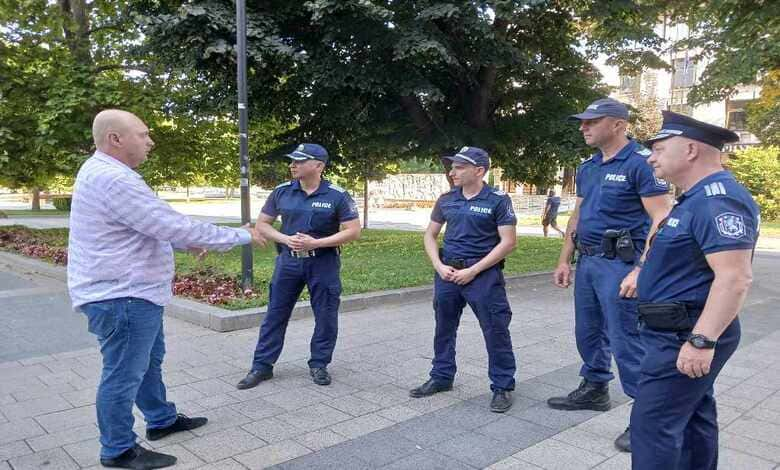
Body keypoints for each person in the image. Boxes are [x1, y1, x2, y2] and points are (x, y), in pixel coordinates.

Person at [69, 109, 264, 469]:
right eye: (143, 134)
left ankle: (161, 419)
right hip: (123, 296)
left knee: (147, 363)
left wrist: (178, 242)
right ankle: (118, 449)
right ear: (116, 139)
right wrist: (242, 235)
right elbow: (170, 224)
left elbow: (142, 226)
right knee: (124, 373)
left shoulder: (105, 172)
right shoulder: (114, 179)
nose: (150, 141)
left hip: (132, 293)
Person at [630, 111, 759, 469]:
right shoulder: (695, 197)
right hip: (676, 329)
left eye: (658, 148)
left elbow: (734, 278)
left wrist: (701, 341)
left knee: (653, 426)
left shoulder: (716, 200)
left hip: (685, 333)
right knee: (693, 417)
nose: (651, 157)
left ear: (689, 149)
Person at [547, 98, 672, 451]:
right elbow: (578, 216)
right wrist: (564, 259)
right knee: (588, 333)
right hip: (588, 263)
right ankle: (595, 388)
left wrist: (641, 269)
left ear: (618, 124)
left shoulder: (640, 165)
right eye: (582, 122)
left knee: (626, 342)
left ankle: (644, 419)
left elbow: (661, 220)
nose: (583, 127)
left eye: (592, 122)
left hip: (621, 266)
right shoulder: (588, 167)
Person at [236, 143, 361, 390]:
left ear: (319, 166)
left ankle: (319, 364)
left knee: (325, 315)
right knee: (275, 314)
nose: (292, 165)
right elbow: (263, 224)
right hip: (288, 262)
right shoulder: (282, 191)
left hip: (323, 262)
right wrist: (285, 239)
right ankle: (262, 366)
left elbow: (354, 231)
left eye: (299, 161)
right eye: (292, 160)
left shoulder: (337, 195)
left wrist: (318, 242)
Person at [409, 146, 518, 413]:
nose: (452, 171)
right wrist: (438, 265)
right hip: (447, 273)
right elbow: (430, 235)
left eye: (459, 167)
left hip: (482, 276)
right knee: (443, 327)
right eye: (452, 166)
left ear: (479, 171)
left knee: (495, 329)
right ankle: (441, 376)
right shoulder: (447, 199)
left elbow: (508, 242)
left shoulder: (497, 200)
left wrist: (474, 270)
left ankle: (502, 386)